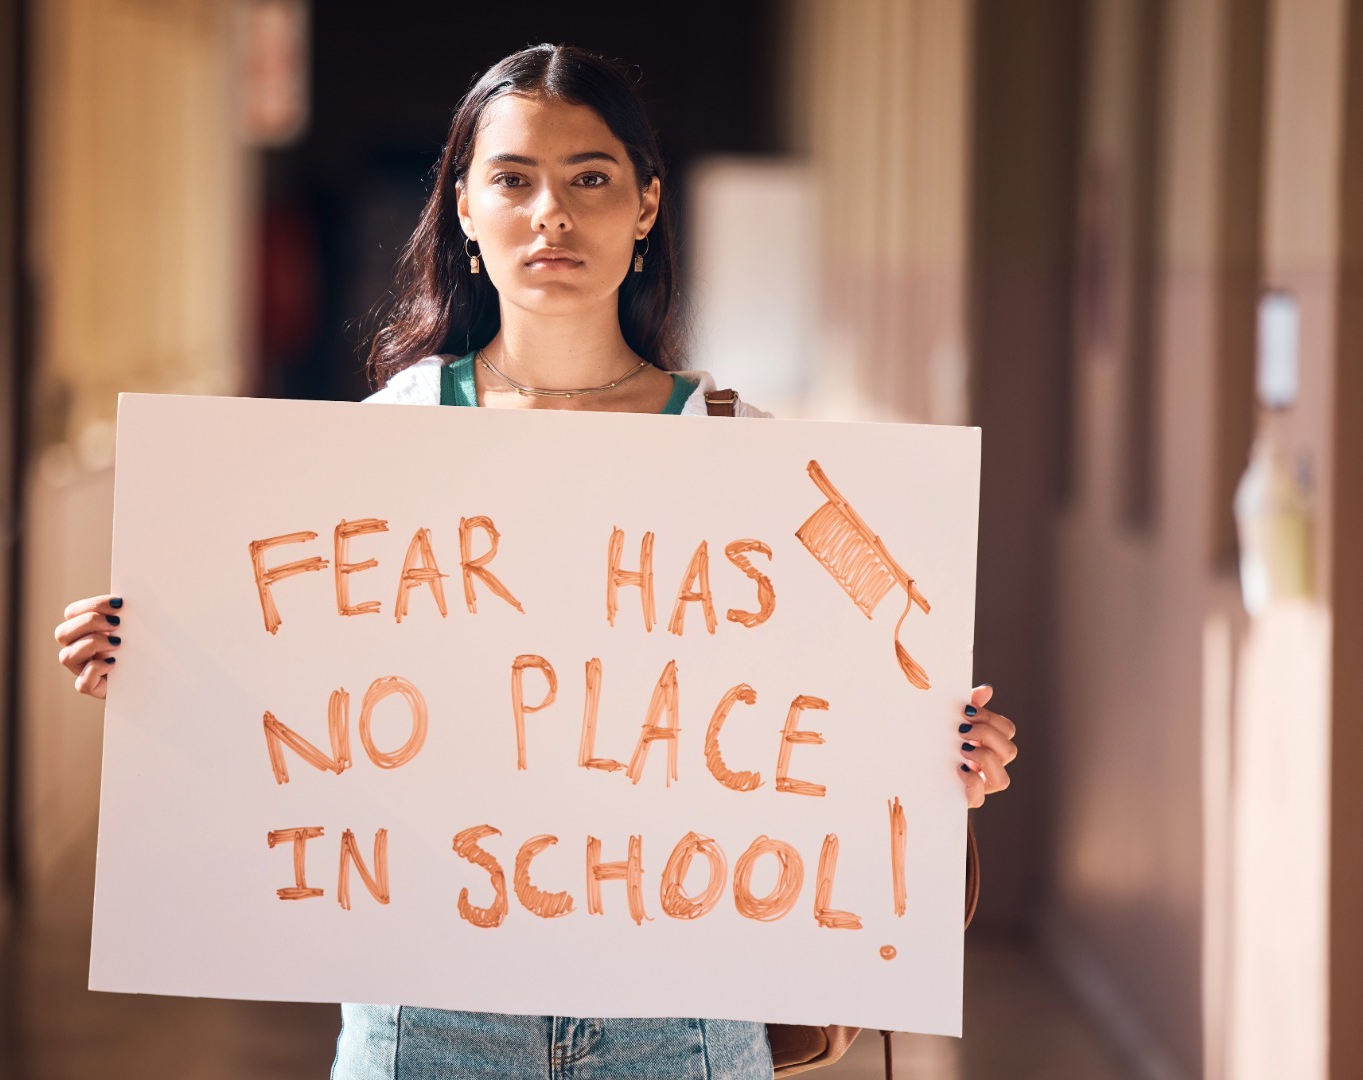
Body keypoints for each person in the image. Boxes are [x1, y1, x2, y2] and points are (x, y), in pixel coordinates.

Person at [53, 43, 1019, 1080]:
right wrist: (150, 665)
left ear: (646, 206)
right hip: (423, 1016)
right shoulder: (384, 441)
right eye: (511, 180)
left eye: (588, 179)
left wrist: (933, 759)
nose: (549, 214)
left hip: (681, 1020)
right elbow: (288, 708)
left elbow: (841, 713)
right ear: (463, 207)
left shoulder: (755, 466)